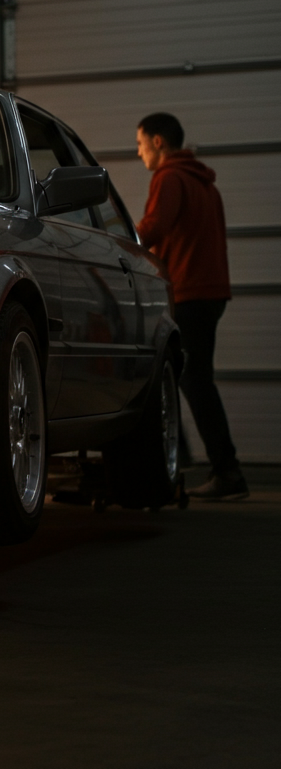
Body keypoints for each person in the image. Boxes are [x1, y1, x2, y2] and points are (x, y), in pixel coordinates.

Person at [135, 112, 248, 500]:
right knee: (190, 376)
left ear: (158, 142)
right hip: (211, 293)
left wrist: (118, 241)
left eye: (140, 143)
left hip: (189, 292)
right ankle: (199, 461)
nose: (139, 153)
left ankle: (225, 471)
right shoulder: (205, 184)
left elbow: (154, 226)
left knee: (190, 379)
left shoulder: (168, 178)